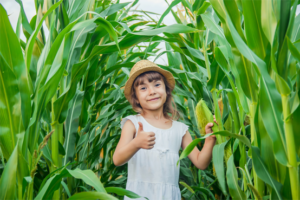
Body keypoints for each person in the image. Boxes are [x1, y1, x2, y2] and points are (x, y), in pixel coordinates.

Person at [113, 60, 217, 200]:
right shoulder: (133, 123)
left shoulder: (180, 129)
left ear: (166, 91)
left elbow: (200, 162)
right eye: (143, 88)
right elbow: (117, 159)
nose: (152, 91)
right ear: (136, 98)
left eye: (157, 85)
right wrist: (136, 143)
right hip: (139, 196)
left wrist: (210, 139)